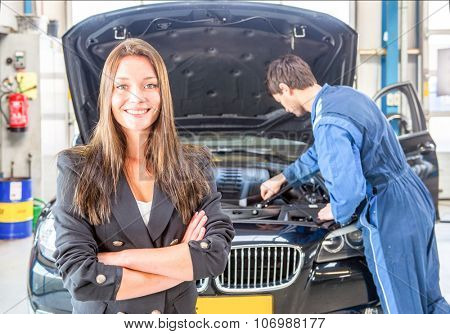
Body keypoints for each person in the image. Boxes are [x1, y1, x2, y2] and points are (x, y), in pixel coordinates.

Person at [53, 38, 235, 314]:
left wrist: (120, 258)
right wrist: (181, 263)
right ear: (108, 96)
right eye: (122, 86)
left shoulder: (195, 165)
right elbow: (80, 276)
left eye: (149, 85)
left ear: (163, 95)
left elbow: (214, 256)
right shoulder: (76, 168)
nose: (137, 97)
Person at [260, 54, 450, 314]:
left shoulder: (327, 121)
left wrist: (334, 210)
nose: (284, 108)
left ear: (285, 89)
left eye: (280, 100)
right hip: (413, 195)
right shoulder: (345, 97)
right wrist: (284, 177)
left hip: (388, 210)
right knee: (429, 298)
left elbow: (349, 193)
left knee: (401, 305)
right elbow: (320, 153)